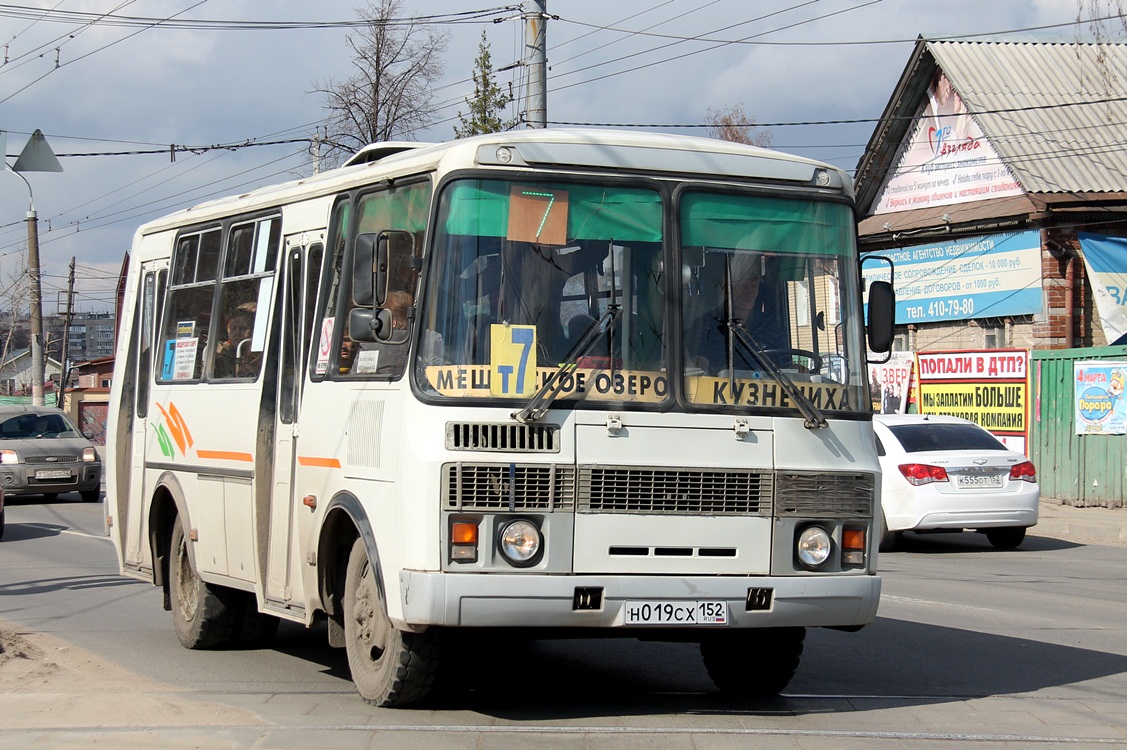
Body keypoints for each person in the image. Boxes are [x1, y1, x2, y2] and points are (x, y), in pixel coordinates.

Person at [686, 252, 771, 375]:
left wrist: (796, 367)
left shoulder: (771, 327)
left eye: (754, 286)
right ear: (726, 288)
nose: (750, 292)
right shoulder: (705, 326)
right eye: (744, 286)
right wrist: (698, 362)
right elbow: (695, 366)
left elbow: (786, 367)